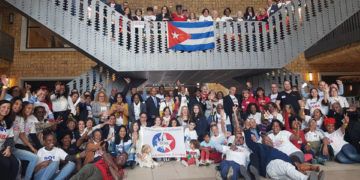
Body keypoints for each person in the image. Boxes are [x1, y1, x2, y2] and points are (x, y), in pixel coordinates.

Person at [244, 129, 323, 180]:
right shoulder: (261, 147)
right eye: (265, 140)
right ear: (262, 142)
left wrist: (299, 169)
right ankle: (306, 179)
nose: (268, 141)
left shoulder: (279, 151)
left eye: (269, 140)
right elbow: (250, 143)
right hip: (271, 165)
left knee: (290, 176)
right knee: (287, 167)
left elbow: (292, 164)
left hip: (274, 174)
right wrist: (246, 130)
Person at [0, 100, 20, 180]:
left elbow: (10, 138)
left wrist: (8, 148)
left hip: (2, 149)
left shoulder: (7, 122)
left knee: (15, 163)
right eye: (3, 107)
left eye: (8, 108)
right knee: (6, 164)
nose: (6, 109)